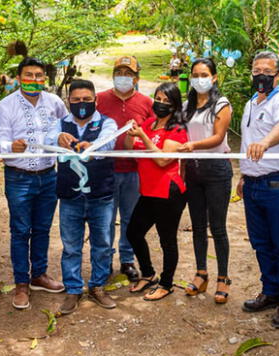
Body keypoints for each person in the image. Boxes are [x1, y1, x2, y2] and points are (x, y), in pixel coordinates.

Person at [0, 57, 67, 310]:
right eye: (28, 75)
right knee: (20, 231)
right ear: (18, 77)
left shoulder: (55, 103)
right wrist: (10, 147)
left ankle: (39, 274)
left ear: (45, 78)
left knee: (43, 228)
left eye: (38, 76)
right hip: (19, 177)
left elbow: (65, 129)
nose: (34, 80)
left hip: (49, 175)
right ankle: (21, 283)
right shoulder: (5, 106)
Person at [236, 51, 279, 329]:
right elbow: (246, 142)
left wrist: (265, 142)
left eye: (267, 70)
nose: (260, 74)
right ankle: (270, 291)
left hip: (275, 183)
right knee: (260, 243)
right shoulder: (252, 102)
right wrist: (243, 175)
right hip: (251, 183)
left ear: (278, 75)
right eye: (256, 70)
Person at [46, 79, 118, 315]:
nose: (81, 104)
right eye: (76, 100)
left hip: (101, 196)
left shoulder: (107, 123)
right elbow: (45, 143)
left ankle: (98, 287)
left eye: (87, 99)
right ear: (69, 101)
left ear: (96, 100)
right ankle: (73, 289)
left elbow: (108, 144)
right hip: (70, 197)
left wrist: (93, 147)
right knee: (70, 247)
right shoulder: (59, 124)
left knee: (103, 245)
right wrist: (57, 140)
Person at [177, 58, 234, 304]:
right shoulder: (186, 105)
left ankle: (223, 278)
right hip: (193, 171)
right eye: (195, 74)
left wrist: (192, 146)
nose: (199, 78)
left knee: (218, 227)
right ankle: (202, 273)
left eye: (204, 74)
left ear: (214, 78)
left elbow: (219, 138)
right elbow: (180, 134)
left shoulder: (221, 105)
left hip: (216, 170)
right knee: (198, 226)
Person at [125, 82, 188, 301]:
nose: (160, 104)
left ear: (174, 105)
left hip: (168, 191)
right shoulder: (149, 123)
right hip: (148, 190)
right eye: (157, 99)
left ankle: (167, 283)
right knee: (133, 232)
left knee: (167, 240)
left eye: (166, 101)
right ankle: (149, 273)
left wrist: (142, 137)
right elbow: (128, 147)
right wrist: (129, 131)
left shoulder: (177, 129)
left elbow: (162, 159)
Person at [97, 56, 154, 282]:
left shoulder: (146, 103)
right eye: (119, 72)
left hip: (134, 171)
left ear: (136, 77)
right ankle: (104, 260)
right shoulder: (99, 100)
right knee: (105, 218)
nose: (123, 77)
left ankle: (127, 260)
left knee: (130, 217)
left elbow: (152, 133)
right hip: (106, 169)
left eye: (128, 73)